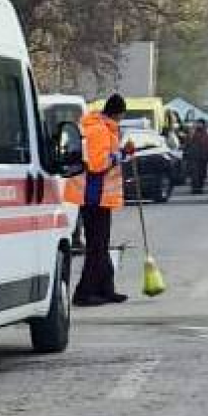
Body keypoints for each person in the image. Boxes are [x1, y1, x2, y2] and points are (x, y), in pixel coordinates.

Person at [67, 95, 135, 307]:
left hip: (99, 196)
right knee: (96, 247)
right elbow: (97, 164)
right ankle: (84, 293)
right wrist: (117, 157)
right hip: (93, 195)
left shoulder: (104, 128)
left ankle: (106, 289)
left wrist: (122, 152)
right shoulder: (99, 130)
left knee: (101, 245)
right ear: (118, 113)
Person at [183, 119, 208, 195]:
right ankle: (195, 188)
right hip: (194, 156)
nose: (199, 125)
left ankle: (200, 188)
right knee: (194, 174)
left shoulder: (207, 132)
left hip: (204, 156)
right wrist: (186, 152)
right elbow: (187, 143)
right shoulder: (192, 132)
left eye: (200, 123)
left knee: (202, 173)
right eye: (198, 123)